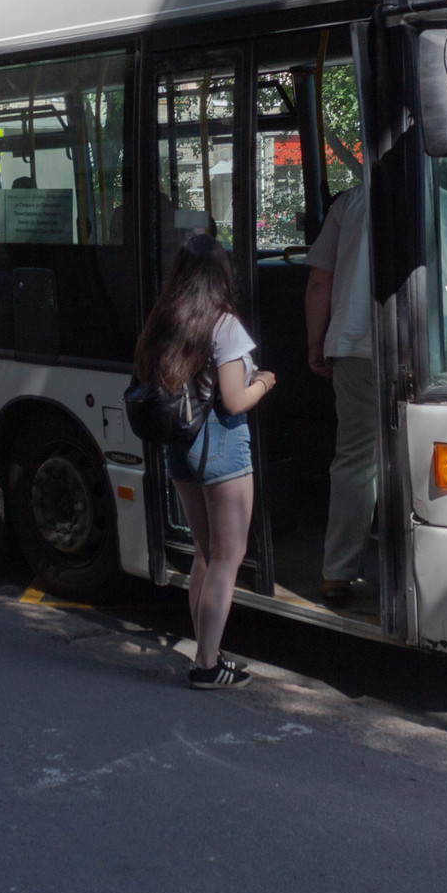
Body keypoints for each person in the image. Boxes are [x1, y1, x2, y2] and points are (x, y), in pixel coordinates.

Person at [135, 234, 277, 689]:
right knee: (228, 558)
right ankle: (208, 664)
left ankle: (205, 651)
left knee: (203, 553)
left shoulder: (166, 320)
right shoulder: (224, 325)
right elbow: (234, 401)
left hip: (181, 449)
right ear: (221, 276)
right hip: (222, 450)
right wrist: (265, 383)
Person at [305, 182, 375, 608]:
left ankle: (337, 573)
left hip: (354, 345)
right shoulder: (446, 187)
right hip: (430, 350)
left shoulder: (352, 201)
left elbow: (319, 279)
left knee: (356, 458)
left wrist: (317, 343)